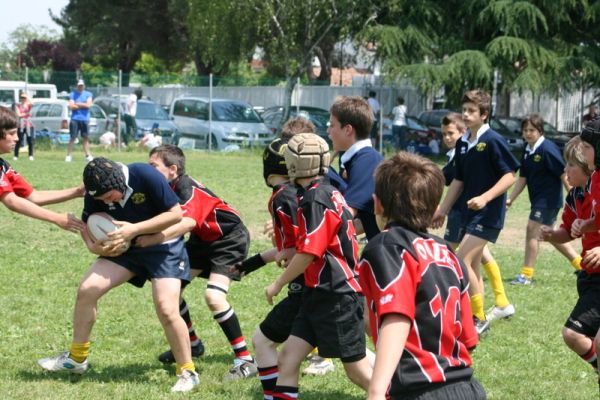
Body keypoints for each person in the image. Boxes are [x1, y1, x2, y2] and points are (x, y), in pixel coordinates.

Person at [37, 157, 199, 393]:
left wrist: (134, 229)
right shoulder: (96, 191)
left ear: (119, 181)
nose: (105, 201)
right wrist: (93, 246)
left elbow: (175, 214)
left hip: (164, 247)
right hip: (126, 248)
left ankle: (187, 371)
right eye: (100, 199)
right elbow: (87, 224)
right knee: (87, 289)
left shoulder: (145, 175)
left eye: (108, 196)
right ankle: (77, 359)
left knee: (166, 308)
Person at [360, 152, 485, 400]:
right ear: (434, 209)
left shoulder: (387, 247)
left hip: (420, 389)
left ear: (377, 204)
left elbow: (397, 318)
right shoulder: (448, 253)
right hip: (467, 387)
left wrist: (375, 392)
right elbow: (469, 338)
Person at [265, 133, 372, 399]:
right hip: (317, 293)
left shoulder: (315, 198)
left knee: (356, 371)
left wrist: (278, 283)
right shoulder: (322, 191)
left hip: (337, 295)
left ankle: (397, 394)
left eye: (289, 155)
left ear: (297, 163)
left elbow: (309, 253)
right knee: (287, 359)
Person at [141, 144, 257, 381]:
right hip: (201, 241)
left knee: (214, 297)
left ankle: (245, 359)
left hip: (228, 240)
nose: (149, 171)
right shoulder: (165, 188)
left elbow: (187, 223)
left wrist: (150, 238)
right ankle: (193, 344)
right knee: (173, 292)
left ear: (173, 169)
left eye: (154, 166)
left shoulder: (186, 189)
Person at [432, 89, 520, 336]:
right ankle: (478, 317)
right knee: (473, 265)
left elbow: (510, 175)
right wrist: (443, 209)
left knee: (460, 259)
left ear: (484, 114)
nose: (467, 114)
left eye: (472, 111)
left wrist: (485, 198)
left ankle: (479, 318)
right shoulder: (462, 143)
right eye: (465, 110)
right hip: (470, 214)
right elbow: (458, 180)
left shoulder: (492, 140)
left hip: (489, 214)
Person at [539, 136, 599, 379]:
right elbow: (568, 231)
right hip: (590, 277)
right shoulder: (575, 196)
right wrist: (553, 235)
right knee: (575, 335)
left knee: (574, 334)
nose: (565, 171)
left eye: (570, 166)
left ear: (587, 167)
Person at [507, 113, 582, 285]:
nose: (527, 133)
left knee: (532, 230)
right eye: (525, 130)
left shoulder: (547, 149)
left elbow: (564, 174)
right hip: (538, 200)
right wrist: (510, 198)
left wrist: (574, 197)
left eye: (531, 130)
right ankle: (581, 265)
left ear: (540, 131)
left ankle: (526, 276)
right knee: (550, 235)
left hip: (547, 201)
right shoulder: (528, 150)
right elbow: (523, 178)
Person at [0, 106, 85, 231]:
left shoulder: (3, 166)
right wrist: (56, 218)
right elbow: (12, 201)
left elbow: (34, 197)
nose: (17, 138)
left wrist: (77, 192)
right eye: (12, 133)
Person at [327, 95, 384, 241]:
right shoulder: (358, 159)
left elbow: (345, 215)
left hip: (392, 254)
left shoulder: (367, 160)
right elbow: (363, 222)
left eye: (332, 125)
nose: (328, 131)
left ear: (347, 130)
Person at [65, 79, 93, 162]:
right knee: (72, 137)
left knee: (85, 138)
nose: (80, 87)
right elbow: (71, 106)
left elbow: (88, 105)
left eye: (82, 85)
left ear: (84, 86)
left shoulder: (88, 94)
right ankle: (68, 155)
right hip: (75, 119)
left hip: (85, 119)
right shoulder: (73, 94)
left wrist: (77, 103)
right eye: (79, 86)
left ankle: (87, 155)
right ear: (77, 86)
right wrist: (82, 105)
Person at [13, 92, 34, 161]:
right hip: (21, 125)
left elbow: (32, 104)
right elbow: (18, 115)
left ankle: (30, 155)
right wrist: (27, 113)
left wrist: (28, 98)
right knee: (19, 140)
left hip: (28, 125)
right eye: (22, 97)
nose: (23, 99)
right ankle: (16, 155)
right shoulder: (18, 106)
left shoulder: (28, 105)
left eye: (24, 98)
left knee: (30, 140)